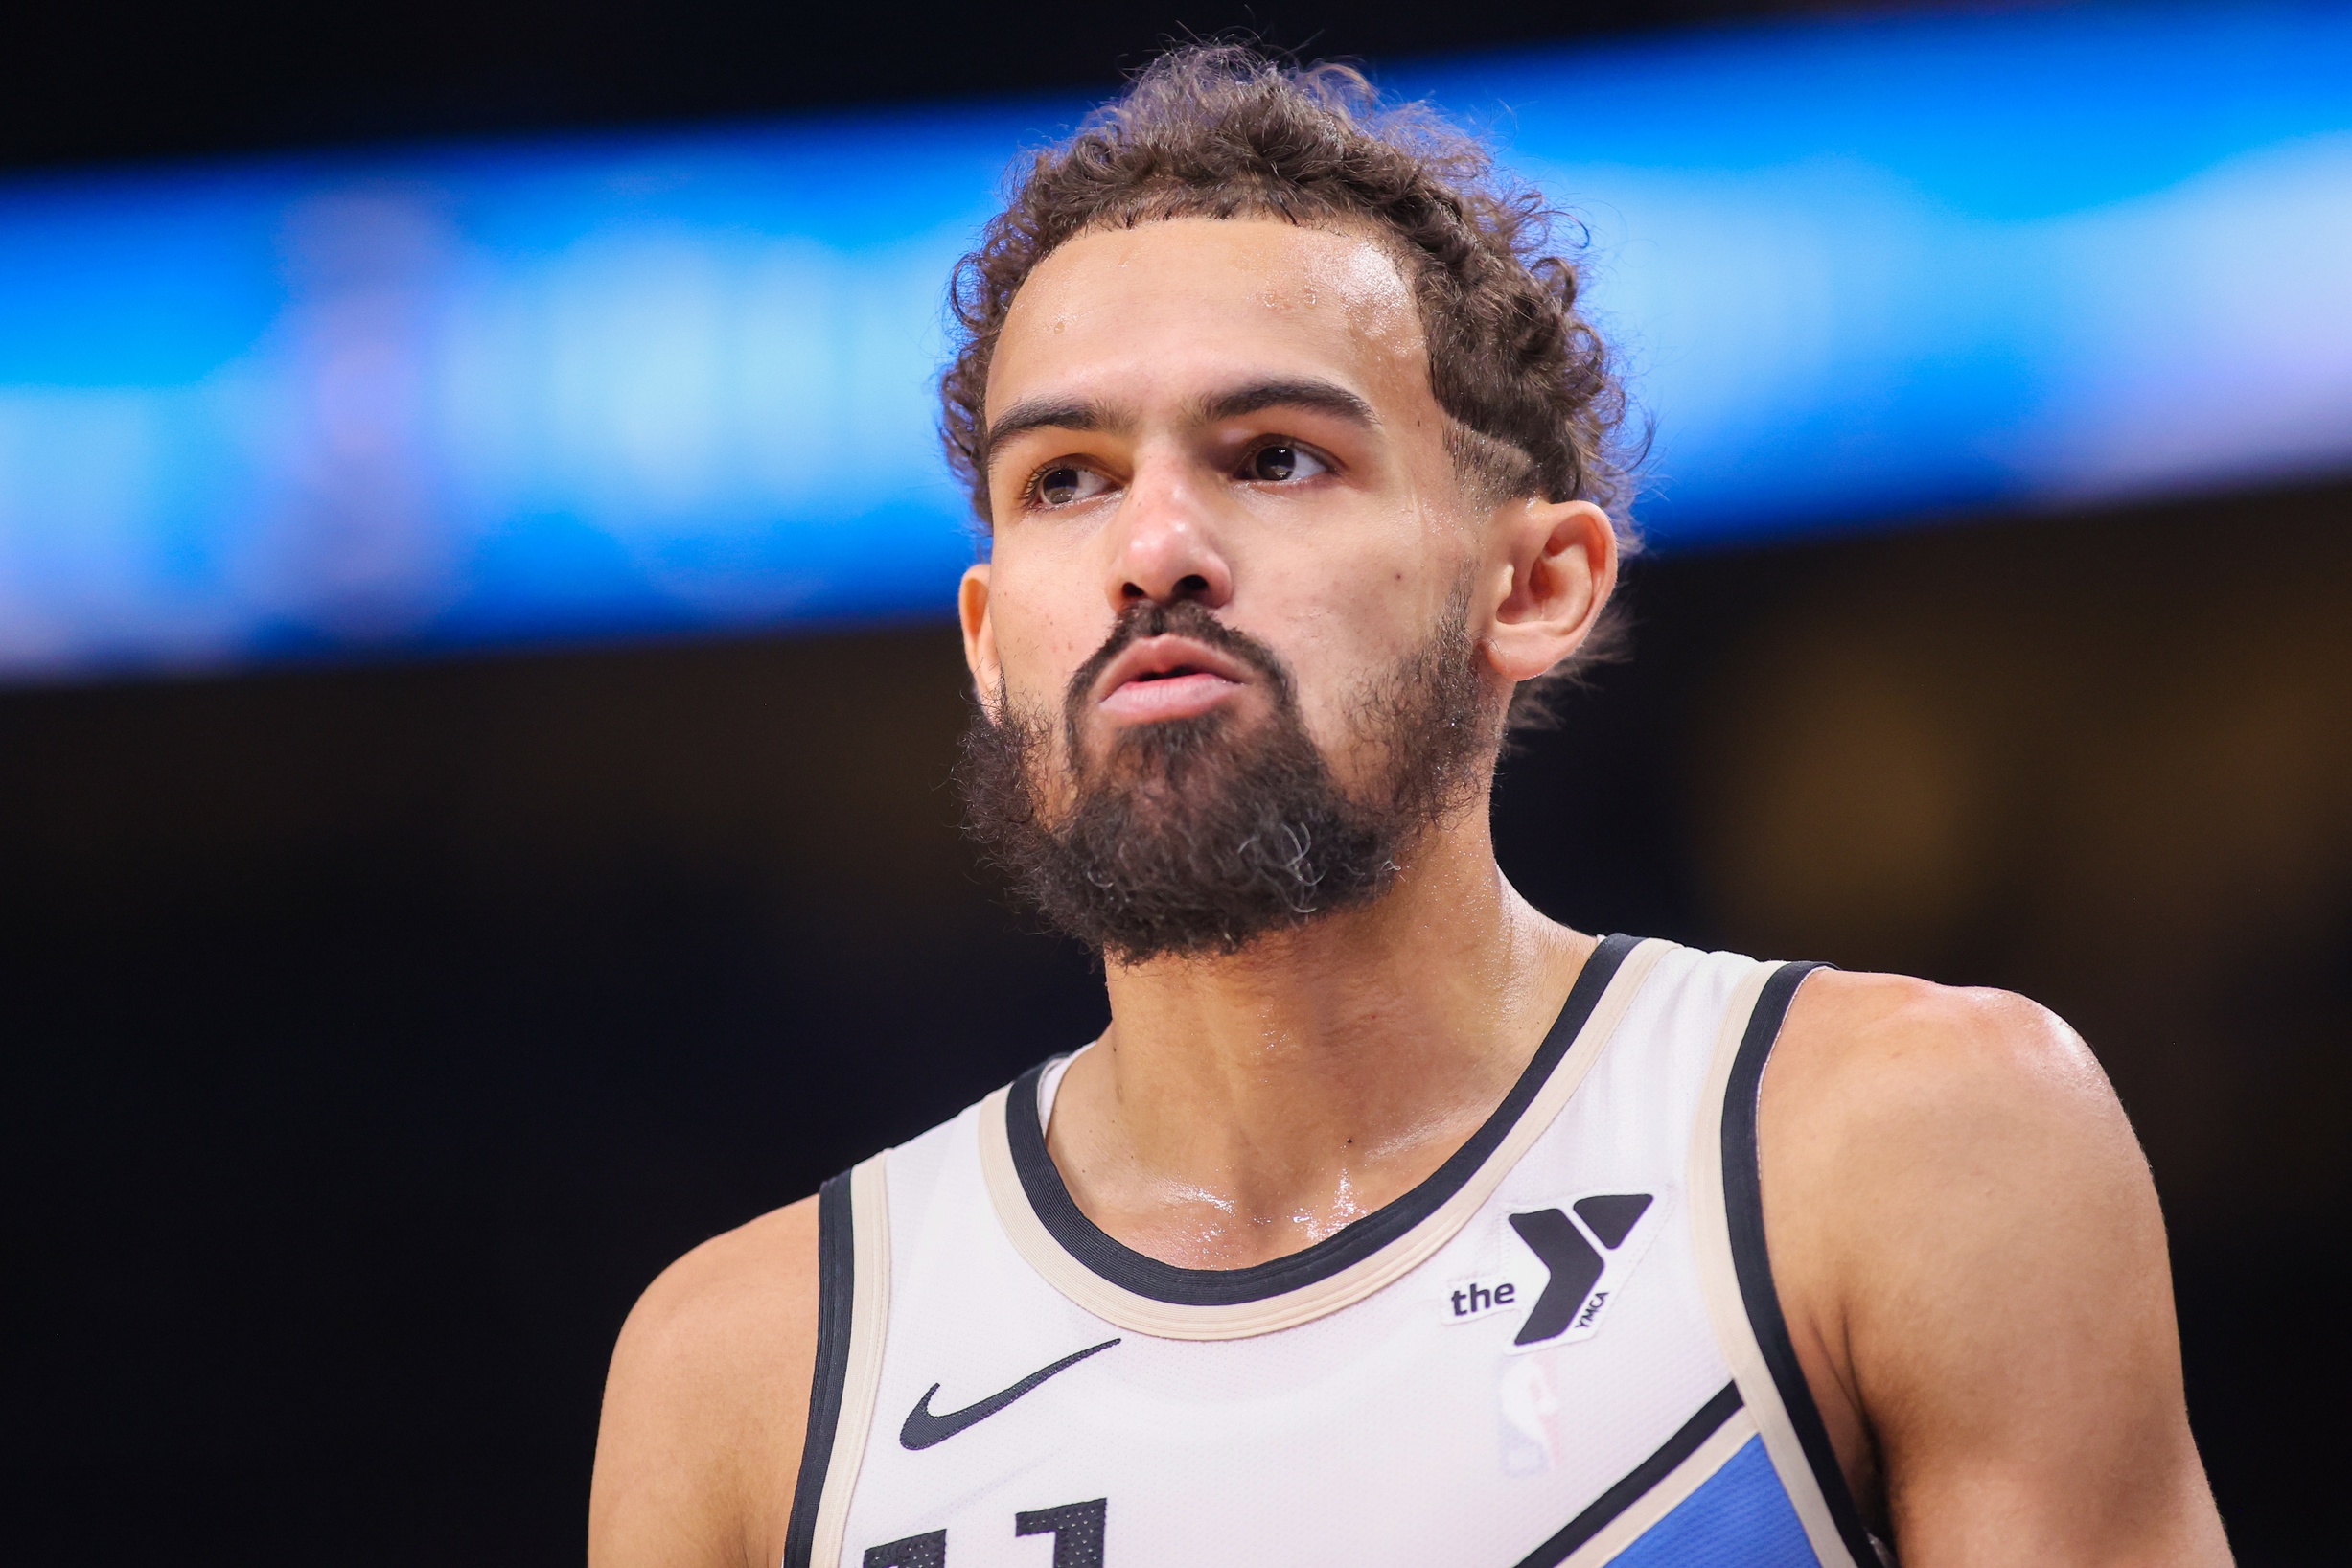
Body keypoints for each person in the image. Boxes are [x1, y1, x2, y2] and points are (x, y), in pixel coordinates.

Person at [589, 46, 2229, 1568]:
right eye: (1065, 480)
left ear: (1534, 584)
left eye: (1275, 454)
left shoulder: (1905, 1145)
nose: (1151, 547)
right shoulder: (751, 1375)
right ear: (989, 642)